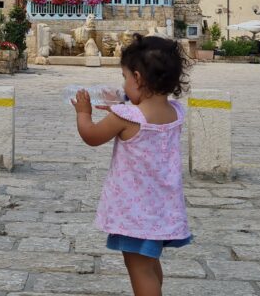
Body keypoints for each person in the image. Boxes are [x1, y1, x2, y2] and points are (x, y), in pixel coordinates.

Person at [71, 34, 191, 296]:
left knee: (139, 268)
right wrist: (120, 108)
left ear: (138, 78)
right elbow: (140, 115)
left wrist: (83, 113)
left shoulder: (126, 116)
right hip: (162, 209)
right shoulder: (175, 112)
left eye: (125, 77)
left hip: (135, 212)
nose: (124, 83)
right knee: (150, 264)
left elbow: (91, 136)